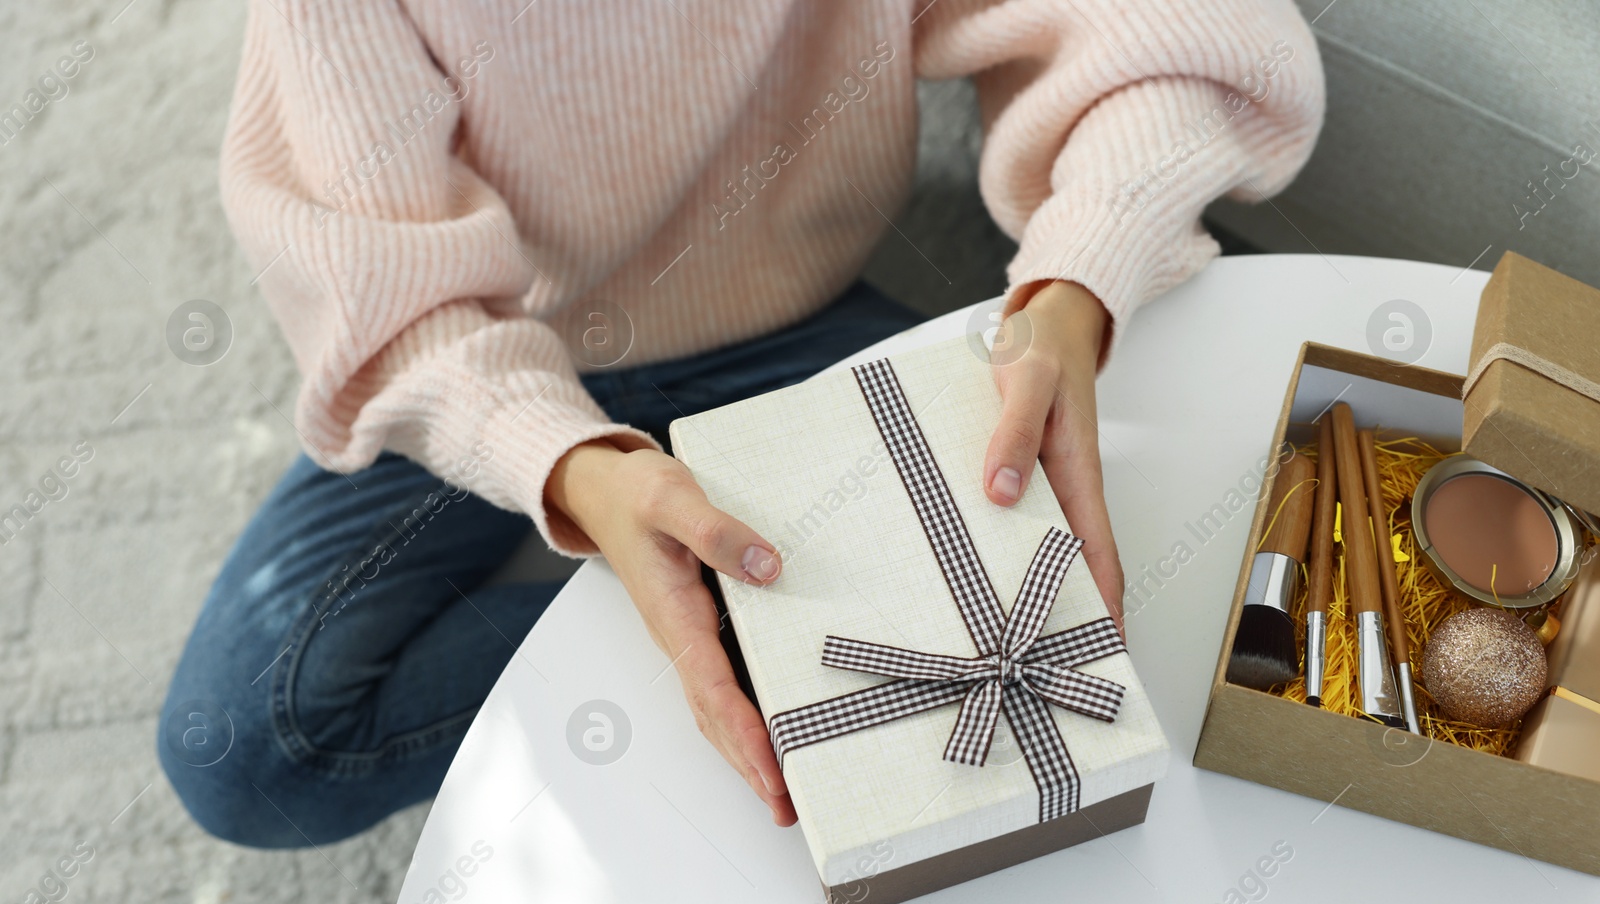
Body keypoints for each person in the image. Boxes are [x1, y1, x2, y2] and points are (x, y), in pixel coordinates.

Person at [159, 0, 1323, 846]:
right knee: (252, 751)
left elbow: (1171, 31)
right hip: (493, 339)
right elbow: (373, 280)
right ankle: (726, 632)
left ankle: (736, 628)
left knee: (1090, 605)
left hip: (793, 318)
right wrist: (569, 470)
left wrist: (1077, 282)